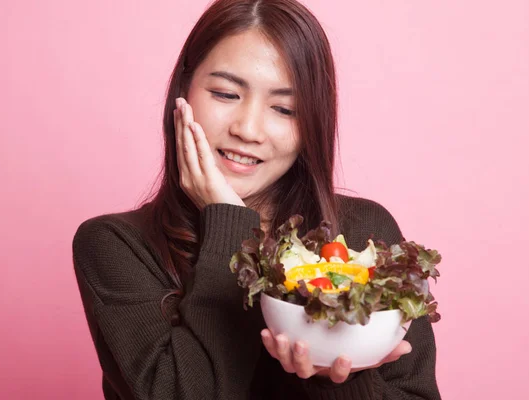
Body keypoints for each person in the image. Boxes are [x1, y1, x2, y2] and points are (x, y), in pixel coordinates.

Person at [72, 0, 441, 399]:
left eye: (284, 108)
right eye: (226, 93)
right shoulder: (115, 245)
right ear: (183, 90)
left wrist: (334, 377)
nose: (248, 130)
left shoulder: (365, 234)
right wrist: (228, 220)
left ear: (312, 122)